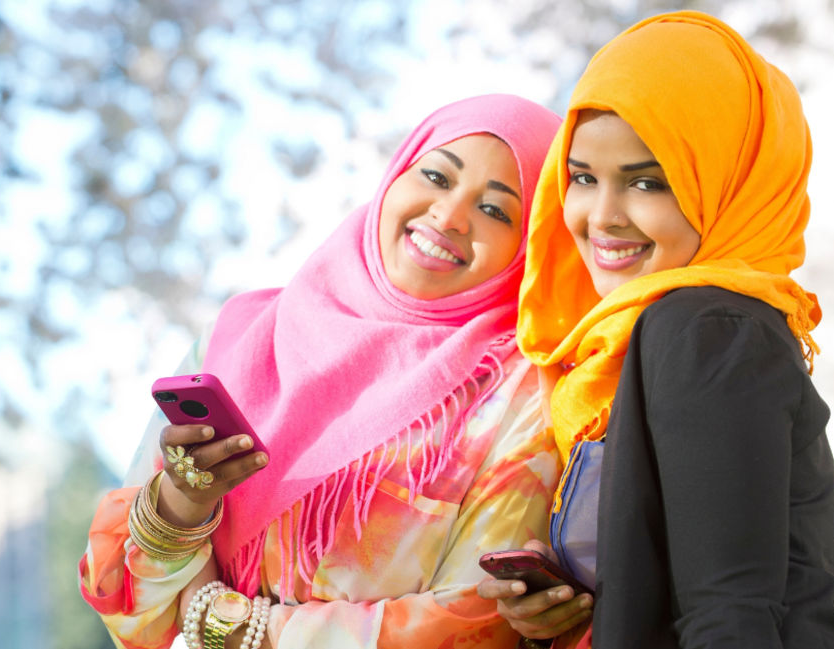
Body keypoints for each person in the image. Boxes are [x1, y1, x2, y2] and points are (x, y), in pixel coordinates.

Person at [79, 93, 563, 649]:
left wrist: (243, 633)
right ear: (396, 174)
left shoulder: (517, 391)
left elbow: (473, 619)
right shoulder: (242, 335)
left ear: (531, 240)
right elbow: (129, 609)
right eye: (435, 176)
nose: (449, 216)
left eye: (497, 210)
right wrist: (181, 508)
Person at [477, 11, 834, 649]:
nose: (602, 217)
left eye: (648, 182)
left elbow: (728, 617)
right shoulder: (632, 351)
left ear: (727, 182)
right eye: (583, 177)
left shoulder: (707, 329)